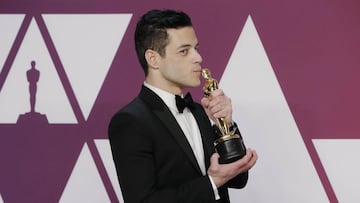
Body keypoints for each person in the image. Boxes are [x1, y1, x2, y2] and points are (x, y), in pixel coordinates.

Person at [108, 9, 257, 203]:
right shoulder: (130, 122)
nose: (198, 58)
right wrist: (212, 182)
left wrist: (225, 125)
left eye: (196, 48)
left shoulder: (198, 111)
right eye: (184, 51)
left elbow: (238, 179)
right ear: (153, 59)